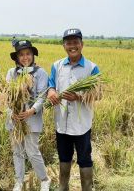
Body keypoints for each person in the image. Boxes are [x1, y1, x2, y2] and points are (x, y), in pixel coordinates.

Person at [47, 28, 100, 191]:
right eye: (68, 43)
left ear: (81, 44)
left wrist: (78, 97)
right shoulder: (57, 66)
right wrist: (52, 92)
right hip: (61, 123)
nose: (72, 46)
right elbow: (51, 86)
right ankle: (63, 187)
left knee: (84, 158)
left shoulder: (92, 68)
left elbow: (98, 94)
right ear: (64, 45)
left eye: (75, 42)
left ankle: (87, 188)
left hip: (81, 124)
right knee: (64, 157)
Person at [6, 40, 51, 191]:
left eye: (28, 54)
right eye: (21, 54)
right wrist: (11, 113)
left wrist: (31, 111)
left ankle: (44, 179)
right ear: (17, 58)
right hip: (14, 120)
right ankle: (19, 181)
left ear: (33, 55)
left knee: (32, 152)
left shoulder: (40, 73)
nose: (25, 57)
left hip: (32, 120)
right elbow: (6, 97)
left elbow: (42, 96)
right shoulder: (11, 73)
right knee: (17, 151)